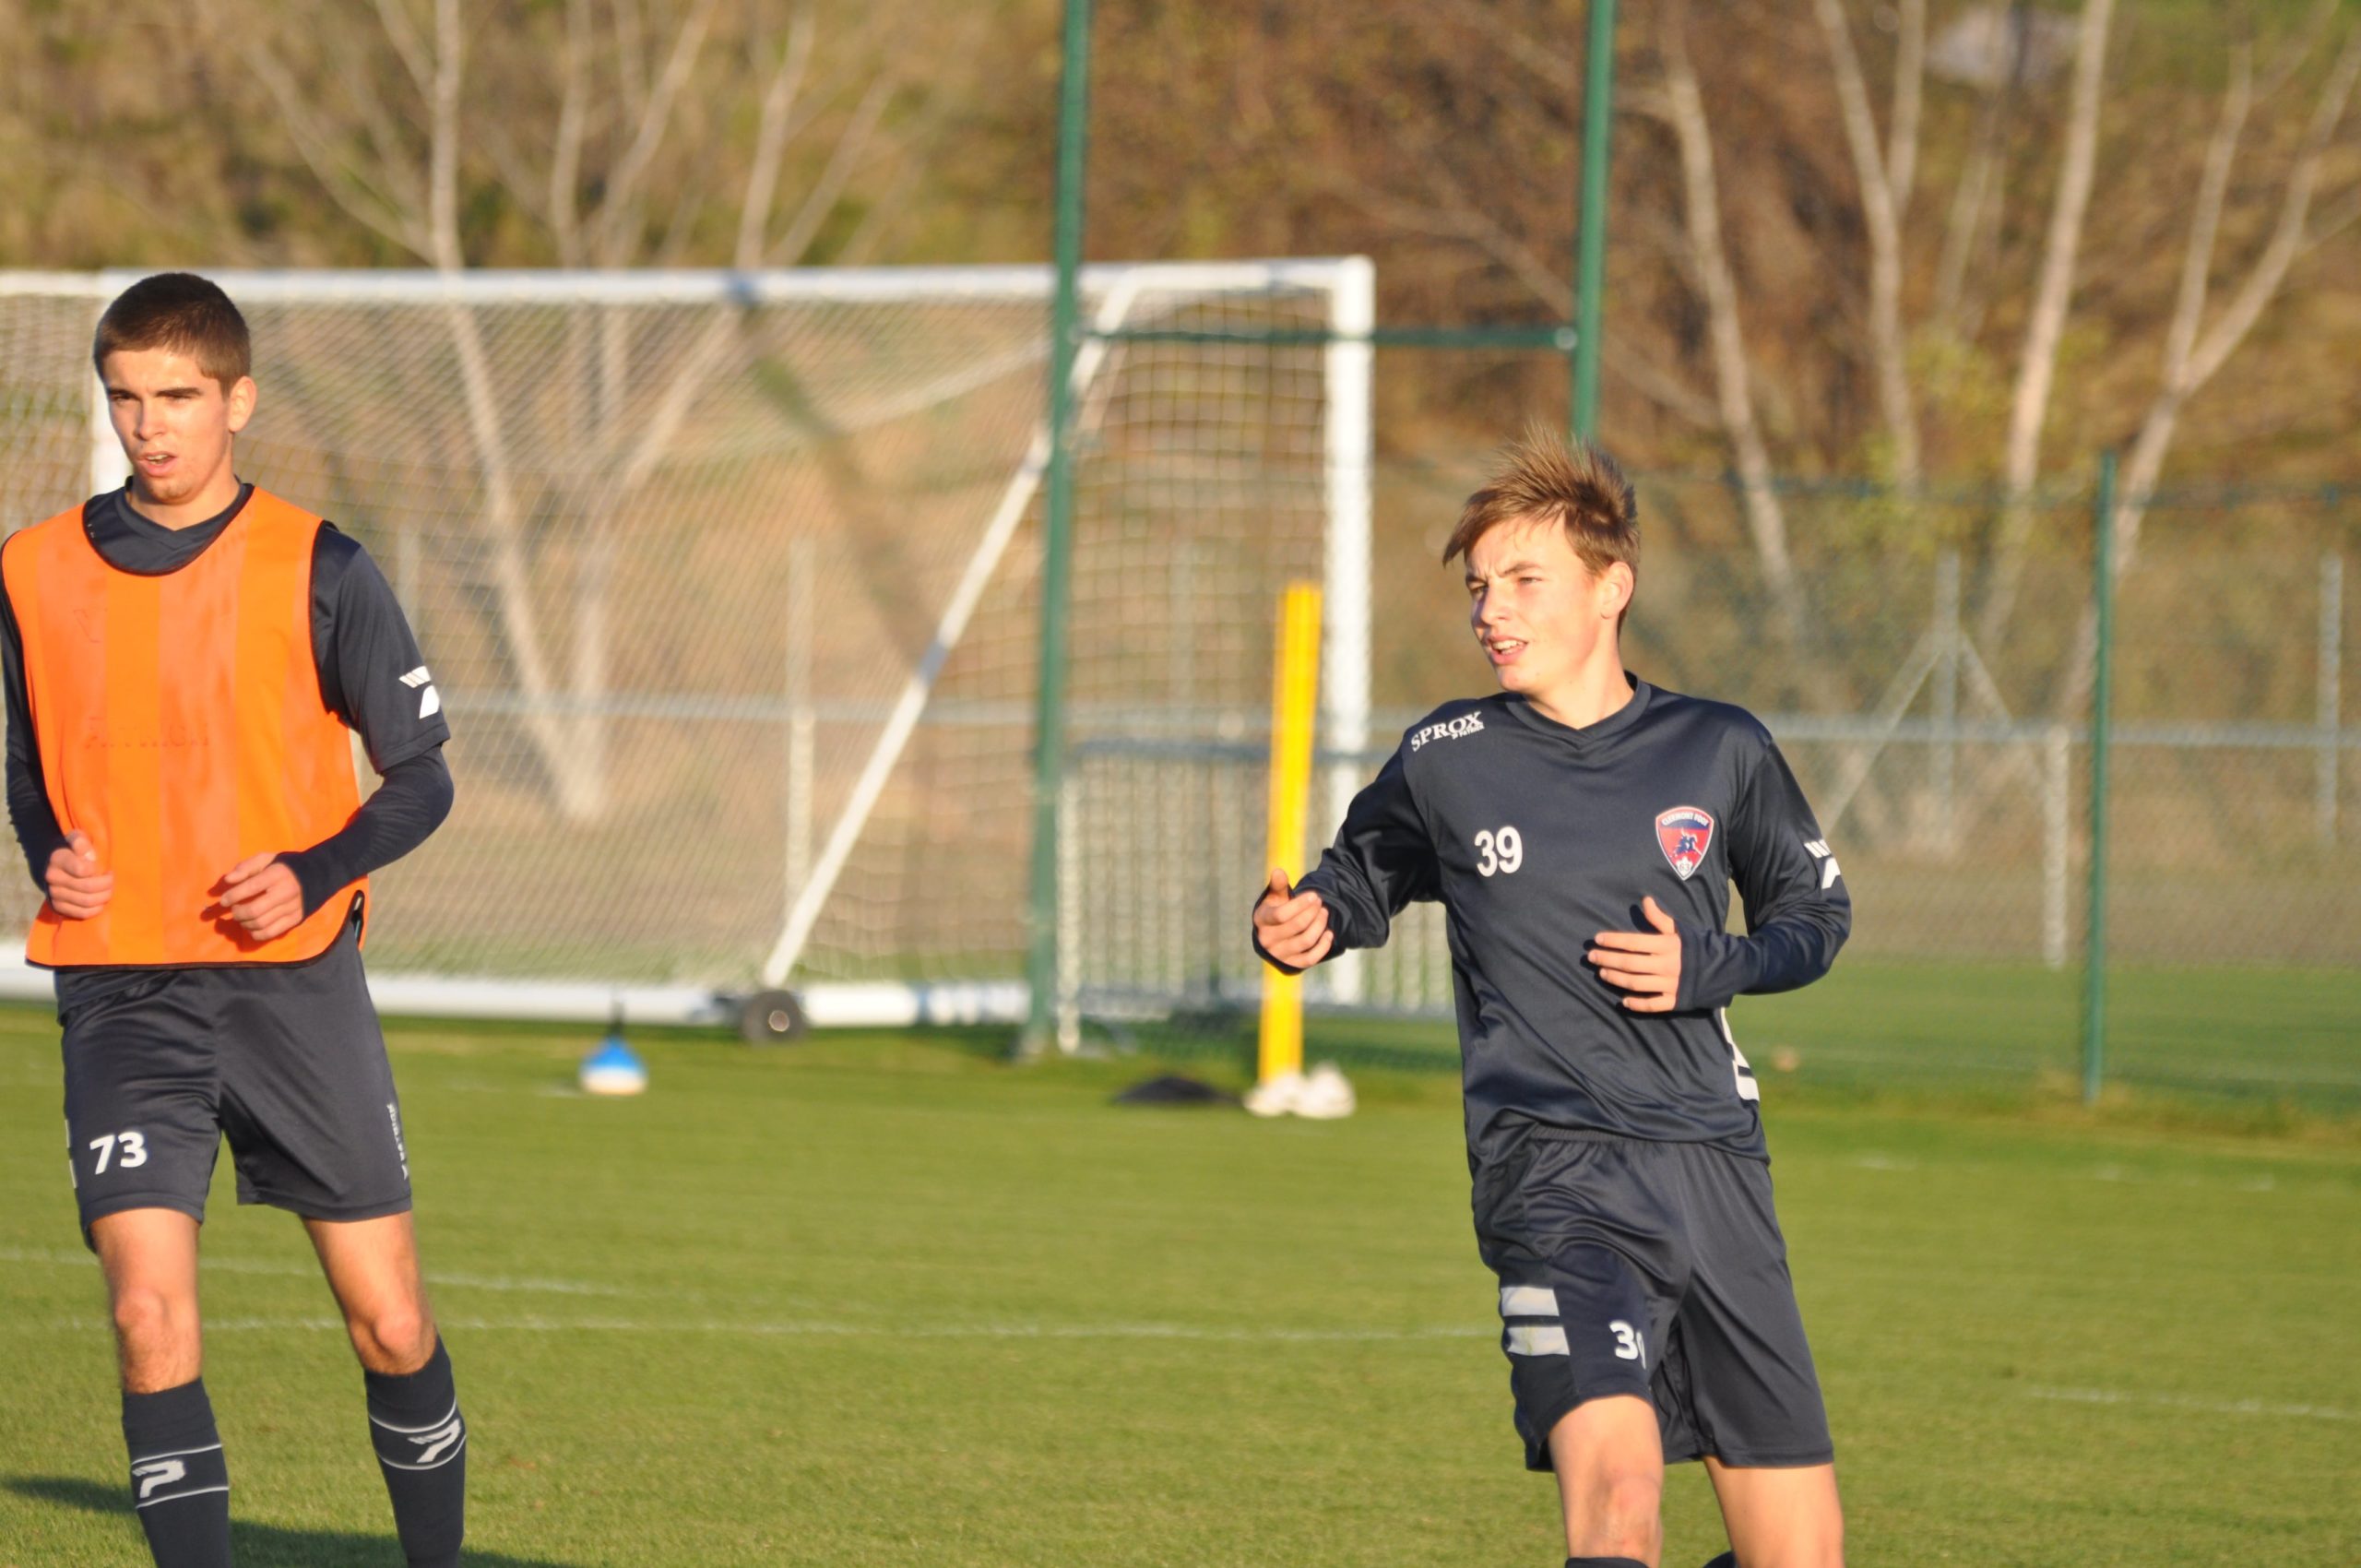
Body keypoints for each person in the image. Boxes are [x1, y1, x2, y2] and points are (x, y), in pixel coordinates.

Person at [1252, 432, 1850, 1568]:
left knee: (1801, 1557)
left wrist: (1708, 967)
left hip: (1719, 1172)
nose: (1492, 609)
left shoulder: (1719, 745)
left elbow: (1814, 918)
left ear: (1610, 587)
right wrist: (1301, 923)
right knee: (1619, 1508)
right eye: (1480, 587)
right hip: (1554, 1171)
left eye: (1524, 580)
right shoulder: (1448, 752)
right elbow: (1354, 881)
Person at [2, 273, 464, 1568]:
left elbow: (421, 772)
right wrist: (53, 856)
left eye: (179, 399)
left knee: (388, 1322)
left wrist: (317, 870)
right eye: (128, 400)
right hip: (120, 993)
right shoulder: (32, 570)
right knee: (150, 1318)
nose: (150, 427)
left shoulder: (323, 566)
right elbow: (31, 766)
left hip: (289, 987)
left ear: (238, 402)